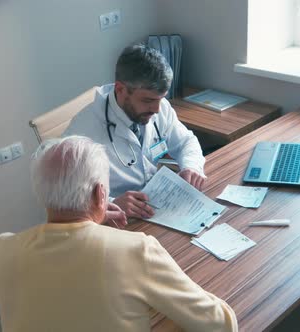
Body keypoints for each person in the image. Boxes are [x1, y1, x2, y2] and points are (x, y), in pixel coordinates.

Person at [0, 136, 238, 332]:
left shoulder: (0, 250)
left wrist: (93, 215)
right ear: (100, 195)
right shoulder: (136, 250)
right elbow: (219, 325)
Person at [63, 44, 206, 220]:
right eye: (147, 100)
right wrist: (111, 204)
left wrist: (191, 166)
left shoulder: (158, 108)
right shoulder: (82, 133)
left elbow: (186, 142)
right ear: (120, 89)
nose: (156, 109)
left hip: (155, 206)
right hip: (115, 221)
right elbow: (69, 199)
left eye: (161, 99)